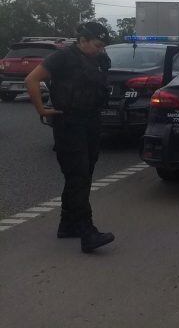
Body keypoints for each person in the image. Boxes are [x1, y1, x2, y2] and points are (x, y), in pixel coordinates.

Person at [24, 21, 115, 253]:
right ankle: (87, 232)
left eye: (103, 45)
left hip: (91, 122)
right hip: (69, 123)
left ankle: (68, 225)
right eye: (97, 44)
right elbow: (31, 79)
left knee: (84, 174)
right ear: (82, 41)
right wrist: (42, 109)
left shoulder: (97, 60)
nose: (100, 49)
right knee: (78, 175)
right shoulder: (63, 57)